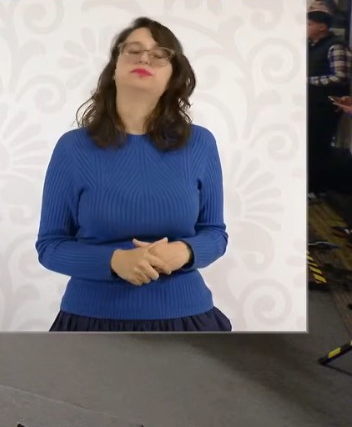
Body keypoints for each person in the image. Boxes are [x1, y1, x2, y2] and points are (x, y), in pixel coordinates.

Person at [36, 18, 229, 332]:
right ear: (114, 68)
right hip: (90, 321)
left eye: (159, 55)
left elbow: (215, 234)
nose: (144, 59)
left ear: (173, 76)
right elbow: (50, 246)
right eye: (133, 51)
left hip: (187, 319)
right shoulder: (73, 148)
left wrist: (184, 251)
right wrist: (114, 261)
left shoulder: (200, 144)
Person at [307, 9, 350, 194]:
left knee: (318, 146)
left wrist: (309, 80)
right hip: (309, 104)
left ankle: (317, 188)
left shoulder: (335, 46)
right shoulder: (311, 46)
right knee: (308, 145)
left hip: (325, 107)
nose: (305, 27)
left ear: (322, 27)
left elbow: (341, 76)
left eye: (309, 24)